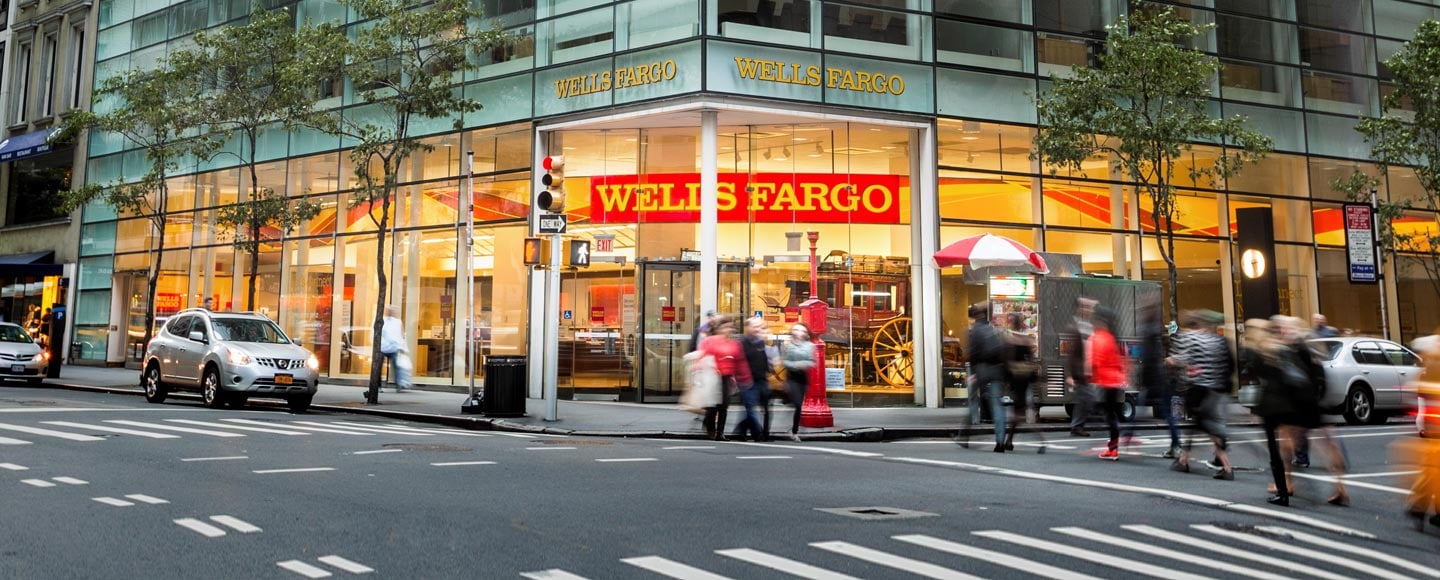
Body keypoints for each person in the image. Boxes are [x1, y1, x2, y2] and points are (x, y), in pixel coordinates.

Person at [1278, 315, 1349, 507]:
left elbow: (1292, 378)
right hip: (1316, 402)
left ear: (1294, 329)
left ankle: (1287, 483)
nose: (1284, 331)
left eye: (1286, 328)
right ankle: (1340, 487)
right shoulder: (1311, 347)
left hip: (1301, 404)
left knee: (1288, 443)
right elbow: (1322, 375)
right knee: (1326, 444)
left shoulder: (1294, 349)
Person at [1169, 310, 1235, 479]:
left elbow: (1181, 358)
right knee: (1196, 425)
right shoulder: (1217, 340)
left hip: (1197, 390)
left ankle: (1227, 467)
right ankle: (1183, 460)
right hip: (1213, 390)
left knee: (1205, 425)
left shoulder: (1192, 338)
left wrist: (1170, 361)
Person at [1243, 318, 1296, 506]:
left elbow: (1253, 373)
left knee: (1274, 450)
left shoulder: (1260, 352)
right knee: (1284, 444)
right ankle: (1287, 484)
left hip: (1271, 405)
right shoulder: (1280, 349)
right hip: (1286, 404)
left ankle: (1282, 492)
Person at [1125, 298, 1180, 457]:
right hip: (1159, 378)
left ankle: (1128, 435)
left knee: (1146, 409)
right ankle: (1175, 445)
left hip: (1153, 379)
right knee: (1164, 414)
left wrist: (1142, 379)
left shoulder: (1148, 332)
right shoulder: (1156, 332)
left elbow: (1148, 358)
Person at [961, 302, 1006, 452]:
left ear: (975, 315)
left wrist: (973, 373)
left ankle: (964, 435)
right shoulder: (993, 329)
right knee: (997, 405)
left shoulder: (976, 330)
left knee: (973, 399)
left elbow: (973, 353)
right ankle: (1000, 441)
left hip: (981, 369)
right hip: (996, 370)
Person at [698, 316, 751, 441]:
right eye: (725, 327)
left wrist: (745, 377)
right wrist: (700, 371)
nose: (728, 330)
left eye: (730, 327)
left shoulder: (734, 344)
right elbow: (702, 356)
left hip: (726, 377)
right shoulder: (710, 341)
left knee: (724, 405)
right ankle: (709, 425)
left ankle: (720, 433)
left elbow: (740, 361)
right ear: (719, 328)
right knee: (712, 406)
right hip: (712, 376)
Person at [1089, 307, 1128, 461]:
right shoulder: (1112, 337)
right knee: (1111, 414)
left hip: (1106, 381)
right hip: (1115, 380)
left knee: (1108, 415)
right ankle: (1113, 447)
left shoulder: (1101, 338)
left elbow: (1096, 360)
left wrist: (1091, 376)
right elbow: (1119, 361)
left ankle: (1113, 449)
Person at [1001, 311, 1044, 453]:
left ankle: (1038, 440)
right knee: (1023, 410)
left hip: (1015, 378)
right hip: (1026, 378)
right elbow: (1031, 360)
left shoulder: (1009, 340)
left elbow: (1007, 362)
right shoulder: (1027, 340)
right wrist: (1035, 377)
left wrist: (1005, 380)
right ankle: (1011, 441)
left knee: (1018, 412)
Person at [1063, 297, 1098, 437]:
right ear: (1078, 309)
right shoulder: (1074, 327)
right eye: (1085, 307)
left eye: (1090, 307)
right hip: (1080, 371)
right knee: (1088, 398)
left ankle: (1077, 426)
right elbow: (1069, 353)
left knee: (1084, 399)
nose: (1088, 310)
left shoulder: (1089, 326)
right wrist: (1069, 374)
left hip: (1087, 370)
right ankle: (1077, 426)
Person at [775, 322, 815, 442]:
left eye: (802, 331)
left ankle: (794, 431)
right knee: (797, 404)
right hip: (791, 377)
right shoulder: (787, 345)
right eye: (797, 330)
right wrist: (796, 365)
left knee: (798, 406)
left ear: (806, 334)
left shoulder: (809, 346)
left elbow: (812, 361)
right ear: (793, 332)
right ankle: (793, 430)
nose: (799, 333)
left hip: (803, 378)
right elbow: (784, 361)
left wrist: (804, 364)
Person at [738, 317, 772, 441]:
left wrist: (768, 372)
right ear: (748, 328)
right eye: (755, 326)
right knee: (751, 409)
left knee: (765, 408)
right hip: (747, 381)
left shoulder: (761, 342)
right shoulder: (742, 343)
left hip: (762, 380)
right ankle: (757, 434)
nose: (758, 329)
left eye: (759, 326)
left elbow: (764, 359)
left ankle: (742, 429)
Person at [379, 304, 412, 393]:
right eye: (389, 310)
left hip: (394, 348)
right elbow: (375, 334)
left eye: (391, 311)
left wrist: (402, 347)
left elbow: (401, 335)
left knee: (397, 367)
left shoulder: (397, 322)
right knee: (379, 368)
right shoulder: (380, 321)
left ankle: (398, 385)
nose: (390, 312)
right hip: (382, 348)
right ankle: (378, 386)